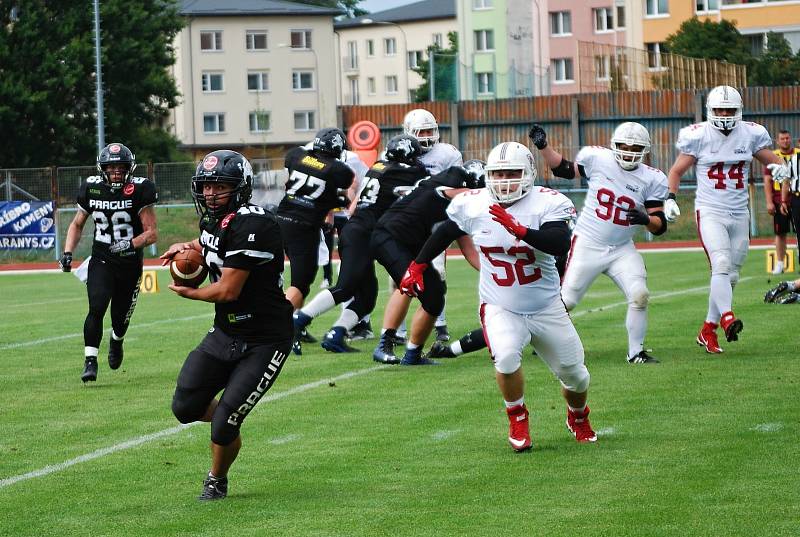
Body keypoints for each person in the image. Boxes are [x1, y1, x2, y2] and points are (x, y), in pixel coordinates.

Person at [403, 141, 595, 451]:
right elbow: (446, 232)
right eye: (498, 173)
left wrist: (521, 231)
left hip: (546, 306)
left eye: (512, 173)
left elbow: (559, 243)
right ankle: (517, 416)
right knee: (505, 357)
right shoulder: (474, 203)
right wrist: (417, 265)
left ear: (529, 173)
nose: (504, 180)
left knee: (577, 377)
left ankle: (578, 416)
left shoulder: (548, 202)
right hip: (500, 304)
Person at [160, 150, 293, 501]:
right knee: (185, 407)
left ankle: (217, 477)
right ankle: (229, 416)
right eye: (206, 187)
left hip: (266, 338)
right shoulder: (214, 221)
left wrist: (191, 292)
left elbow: (228, 290)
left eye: (219, 186)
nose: (210, 194)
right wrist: (185, 247)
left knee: (223, 424)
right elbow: (209, 245)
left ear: (240, 188)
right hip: (227, 332)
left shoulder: (255, 224)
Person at [665, 85, 791, 353]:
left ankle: (707, 330)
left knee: (731, 274)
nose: (724, 114)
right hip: (711, 211)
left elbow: (774, 161)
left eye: (729, 109)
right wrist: (671, 198)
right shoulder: (698, 136)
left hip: (739, 213)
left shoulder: (749, 133)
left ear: (739, 111)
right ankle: (727, 318)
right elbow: (676, 171)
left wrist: (782, 170)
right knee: (721, 264)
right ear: (710, 110)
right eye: (720, 109)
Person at [530, 122, 669, 364]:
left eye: (635, 147)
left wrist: (647, 219)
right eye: (624, 147)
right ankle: (535, 336)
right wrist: (544, 146)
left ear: (644, 149)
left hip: (622, 248)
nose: (628, 152)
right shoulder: (599, 159)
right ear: (614, 146)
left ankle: (636, 352)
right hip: (588, 243)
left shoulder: (652, 178)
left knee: (640, 294)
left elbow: (660, 225)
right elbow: (563, 169)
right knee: (567, 301)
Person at [292, 135, 429, 354]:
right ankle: (299, 320)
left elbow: (355, 207)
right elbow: (424, 178)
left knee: (366, 297)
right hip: (363, 234)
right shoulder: (405, 172)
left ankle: (336, 334)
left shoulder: (378, 167)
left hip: (361, 231)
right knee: (345, 287)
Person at [59, 142, 158, 383]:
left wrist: (130, 244)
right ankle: (90, 361)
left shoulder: (140, 189)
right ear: (103, 168)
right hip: (102, 259)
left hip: (130, 262)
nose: (116, 172)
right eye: (111, 167)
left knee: (120, 318)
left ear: (129, 168)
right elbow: (77, 224)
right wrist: (68, 252)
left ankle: (117, 340)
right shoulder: (91, 189)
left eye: (121, 167)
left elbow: (151, 233)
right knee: (97, 306)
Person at [370, 165, 481, 365]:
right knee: (409, 283)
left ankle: (413, 353)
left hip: (412, 247)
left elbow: (469, 251)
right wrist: (480, 196)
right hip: (389, 236)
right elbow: (453, 192)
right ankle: (384, 344)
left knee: (435, 297)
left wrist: (491, 270)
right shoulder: (454, 180)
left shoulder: (463, 208)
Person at [276, 128, 354, 352]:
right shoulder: (339, 170)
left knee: (291, 281)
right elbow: (340, 182)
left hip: (279, 220)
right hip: (302, 227)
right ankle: (283, 330)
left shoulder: (296, 155)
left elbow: (311, 182)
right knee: (300, 283)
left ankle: (294, 326)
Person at [402, 108, 463, 342]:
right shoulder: (402, 151)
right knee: (402, 276)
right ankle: (398, 331)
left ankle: (440, 324)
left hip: (437, 218)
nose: (426, 136)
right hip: (407, 220)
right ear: (409, 133)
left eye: (429, 130)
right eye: (421, 131)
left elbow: (459, 181)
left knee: (437, 272)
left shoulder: (447, 153)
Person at [762, 130, 798, 274]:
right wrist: (769, 202)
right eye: (782, 139)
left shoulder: (798, 154)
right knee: (780, 233)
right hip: (778, 199)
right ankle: (780, 263)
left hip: (796, 196)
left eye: (787, 138)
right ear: (778, 141)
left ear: (791, 139)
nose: (785, 141)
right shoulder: (773, 156)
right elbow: (767, 180)